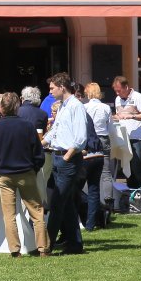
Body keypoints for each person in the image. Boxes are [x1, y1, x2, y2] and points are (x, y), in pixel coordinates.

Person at [0, 92, 48, 258]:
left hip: (4, 174)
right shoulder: (28, 126)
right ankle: (43, 248)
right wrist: (34, 169)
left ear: (1, 108)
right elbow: (38, 154)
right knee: (37, 212)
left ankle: (15, 250)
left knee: (9, 214)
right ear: (17, 106)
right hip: (26, 173)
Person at [42, 73, 88, 255]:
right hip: (58, 157)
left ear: (62, 87)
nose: (50, 91)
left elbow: (81, 137)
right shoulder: (62, 106)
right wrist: (40, 144)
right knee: (66, 203)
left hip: (67, 159)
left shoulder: (76, 106)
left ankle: (47, 245)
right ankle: (75, 244)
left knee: (57, 202)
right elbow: (55, 131)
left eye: (52, 88)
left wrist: (67, 156)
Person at [81, 82, 113, 231]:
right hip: (103, 137)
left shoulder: (84, 107)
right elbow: (110, 127)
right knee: (106, 173)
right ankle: (108, 203)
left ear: (88, 93)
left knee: (86, 176)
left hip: (89, 140)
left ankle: (88, 212)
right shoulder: (105, 107)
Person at [111, 76, 141, 185]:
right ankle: (130, 192)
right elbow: (120, 115)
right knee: (126, 167)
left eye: (119, 91)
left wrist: (132, 116)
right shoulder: (117, 99)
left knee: (136, 166)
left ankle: (139, 192)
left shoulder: (139, 97)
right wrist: (114, 117)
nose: (117, 93)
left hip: (137, 138)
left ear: (126, 87)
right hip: (124, 137)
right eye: (115, 91)